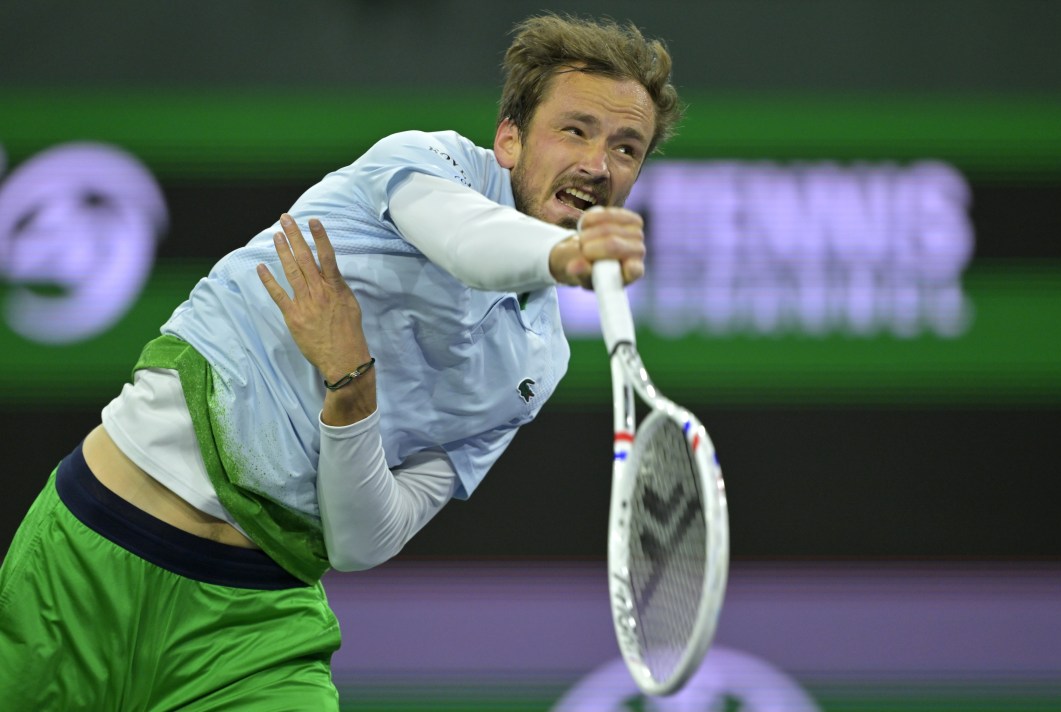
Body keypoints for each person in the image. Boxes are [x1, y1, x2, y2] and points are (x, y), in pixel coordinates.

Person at [0, 12, 682, 710]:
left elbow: (364, 539)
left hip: (253, 630)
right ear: (509, 138)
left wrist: (351, 393)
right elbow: (470, 245)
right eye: (576, 130)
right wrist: (566, 254)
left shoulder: (536, 361)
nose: (599, 165)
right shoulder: (423, 164)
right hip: (89, 558)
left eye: (627, 149)